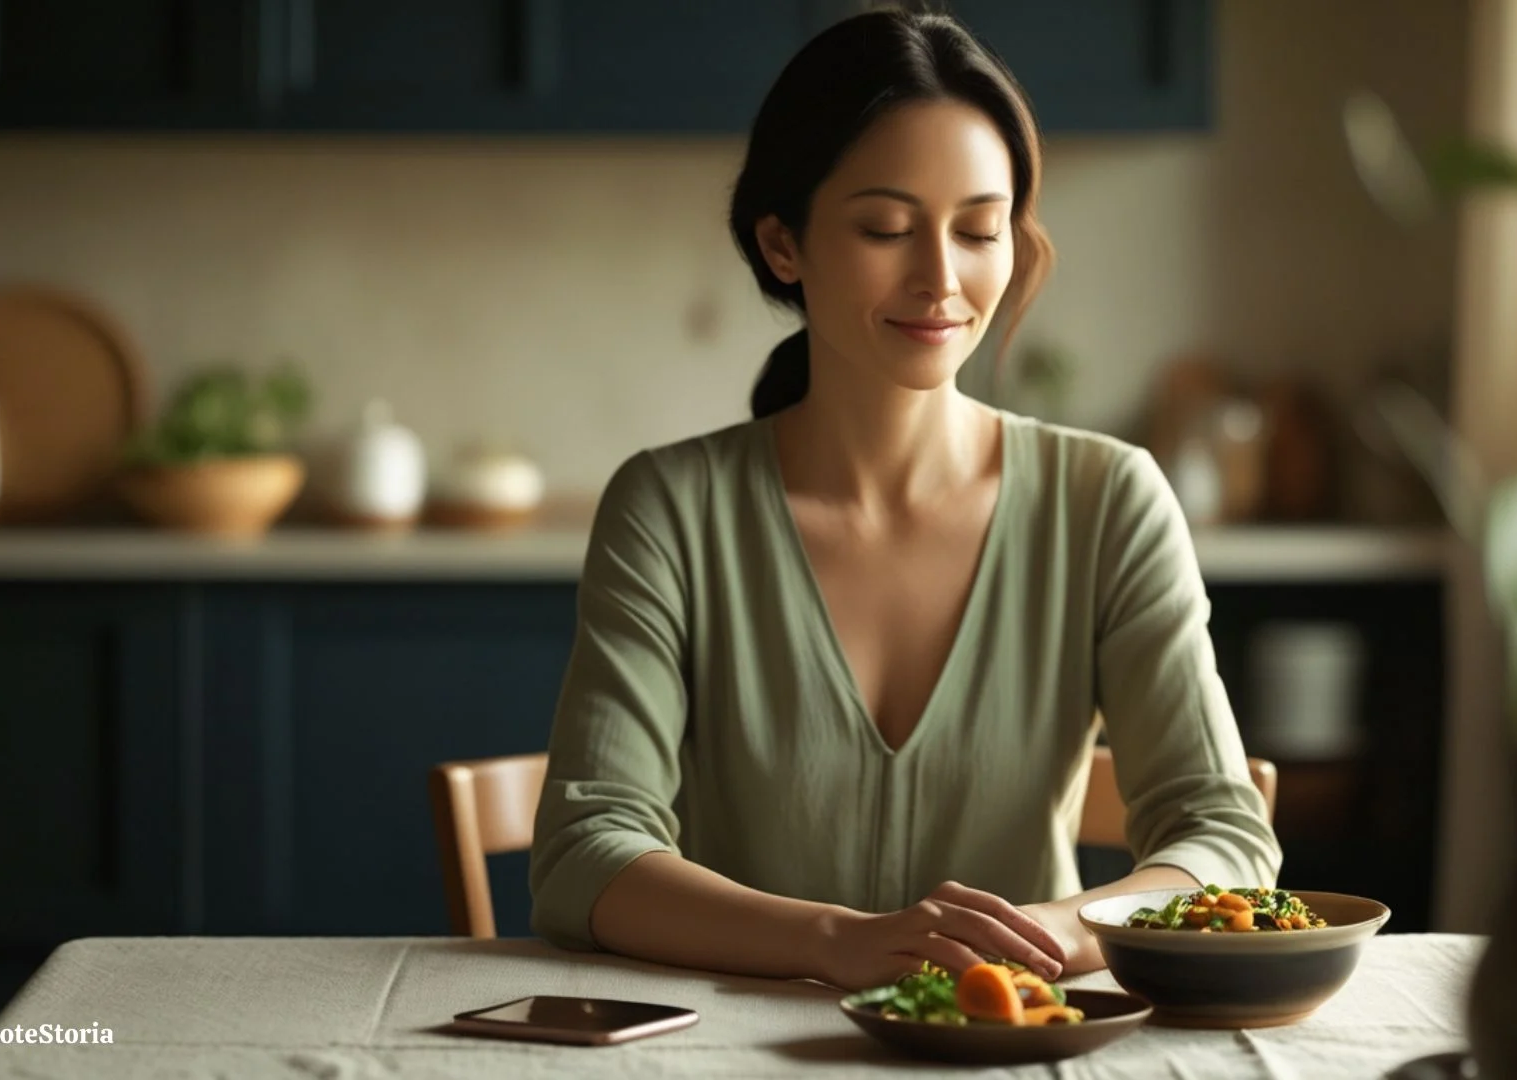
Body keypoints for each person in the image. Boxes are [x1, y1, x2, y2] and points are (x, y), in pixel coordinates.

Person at [529, 8, 1279, 992]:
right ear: (783, 243)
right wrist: (833, 942)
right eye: (886, 228)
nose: (941, 279)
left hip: (1020, 1039)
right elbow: (586, 853)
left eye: (979, 229)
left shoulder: (1108, 501)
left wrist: (1053, 937)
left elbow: (1223, 835)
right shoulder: (668, 509)